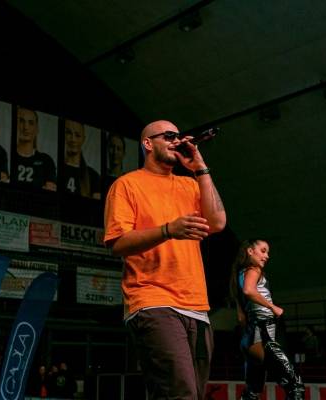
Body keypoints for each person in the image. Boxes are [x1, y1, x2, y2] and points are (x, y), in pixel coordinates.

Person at [104, 120, 226, 400]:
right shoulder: (127, 185)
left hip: (196, 305)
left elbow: (218, 222)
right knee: (180, 393)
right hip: (153, 300)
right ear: (148, 144)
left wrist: (200, 168)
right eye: (169, 136)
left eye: (179, 136)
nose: (177, 141)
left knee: (194, 393)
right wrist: (168, 230)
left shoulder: (189, 184)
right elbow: (117, 243)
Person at [230, 239, 305, 400]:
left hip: (251, 336)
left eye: (268, 252)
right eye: (263, 251)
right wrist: (272, 307)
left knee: (252, 391)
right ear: (250, 251)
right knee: (295, 386)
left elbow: (241, 317)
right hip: (262, 334)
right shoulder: (253, 269)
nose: (267, 256)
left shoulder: (240, 274)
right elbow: (249, 290)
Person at [12, 106, 57, 190]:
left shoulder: (46, 161)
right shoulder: (7, 154)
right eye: (21, 121)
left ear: (37, 129)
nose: (26, 127)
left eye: (31, 123)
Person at [63, 119, 101, 199]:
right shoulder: (55, 168)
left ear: (83, 139)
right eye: (69, 133)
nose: (73, 139)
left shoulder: (93, 175)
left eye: (77, 135)